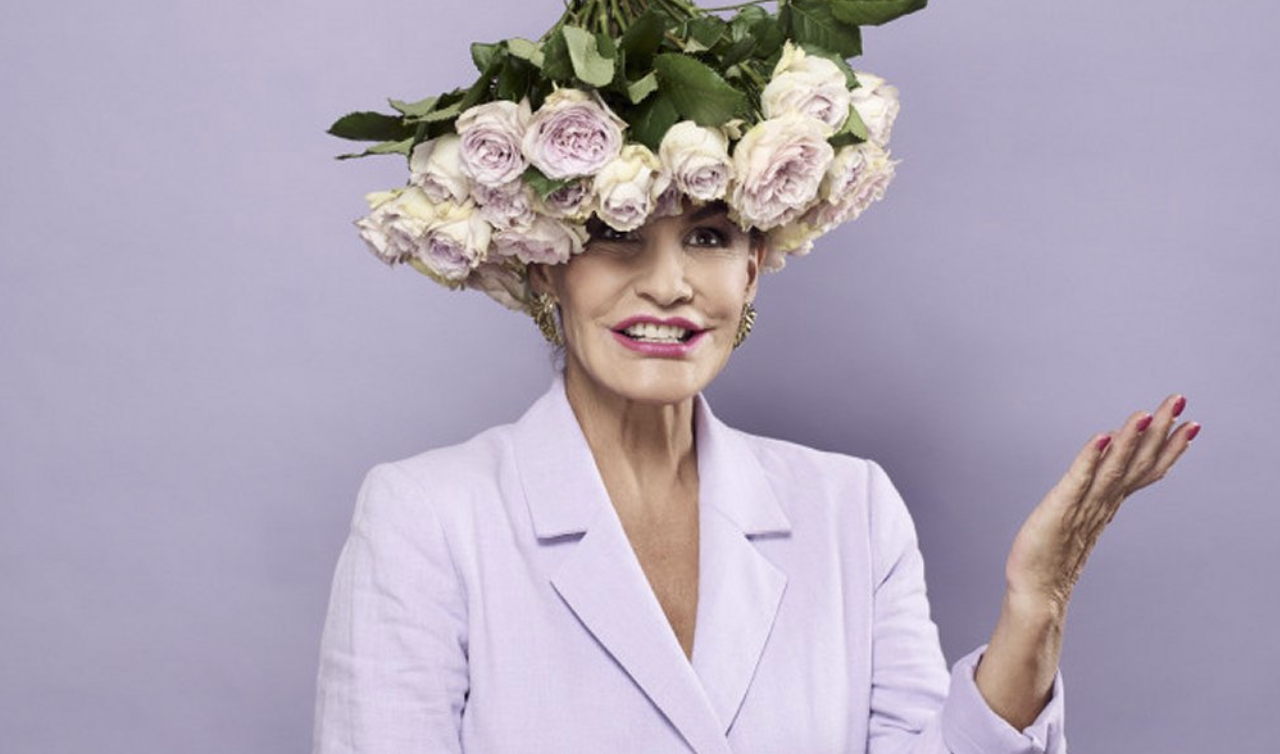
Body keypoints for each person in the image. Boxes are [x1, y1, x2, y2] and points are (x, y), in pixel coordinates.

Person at [314, 2, 1199, 751]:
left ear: (756, 263)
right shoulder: (428, 518)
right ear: (545, 262)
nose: (669, 285)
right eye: (615, 233)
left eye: (709, 236)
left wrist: (1033, 610)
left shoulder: (851, 508)